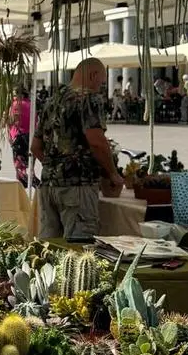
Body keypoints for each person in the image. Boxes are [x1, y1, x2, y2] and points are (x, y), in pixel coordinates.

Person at [31, 57, 125, 241]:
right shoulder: (88, 99)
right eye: (101, 82)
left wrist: (55, 167)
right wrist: (113, 173)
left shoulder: (51, 101)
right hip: (78, 187)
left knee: (49, 249)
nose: (100, 87)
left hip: (49, 186)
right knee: (78, 250)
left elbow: (35, 147)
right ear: (93, 75)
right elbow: (96, 141)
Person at [7, 88, 32, 188]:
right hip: (30, 136)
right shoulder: (31, 104)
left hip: (18, 137)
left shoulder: (15, 105)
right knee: (28, 166)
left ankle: (31, 187)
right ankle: (31, 184)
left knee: (19, 167)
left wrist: (9, 135)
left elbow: (12, 121)